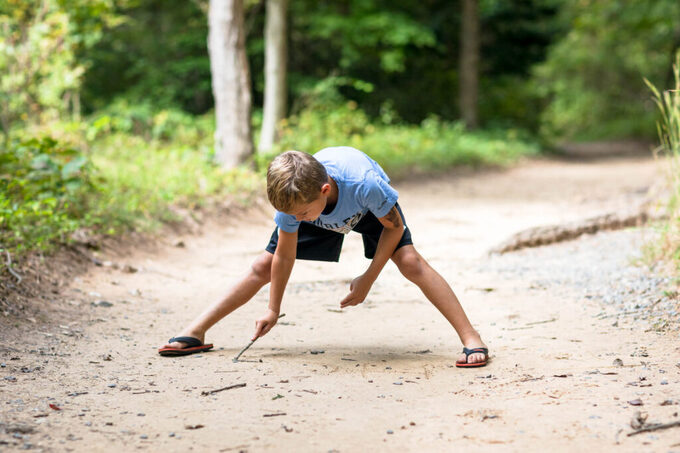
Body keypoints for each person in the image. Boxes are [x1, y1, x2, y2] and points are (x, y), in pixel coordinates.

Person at [159, 147, 488, 367]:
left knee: (411, 262)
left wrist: (367, 279)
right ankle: (196, 331)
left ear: (325, 190)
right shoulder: (295, 205)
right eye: (292, 215)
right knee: (262, 265)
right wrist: (273, 309)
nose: (296, 219)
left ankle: (471, 338)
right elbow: (284, 256)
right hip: (323, 211)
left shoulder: (365, 185)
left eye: (301, 213)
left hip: (368, 211)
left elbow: (394, 227)